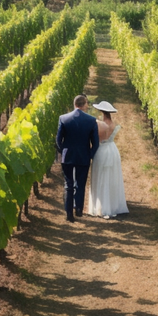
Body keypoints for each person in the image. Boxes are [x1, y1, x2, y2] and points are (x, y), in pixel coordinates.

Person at [56, 94, 100, 222]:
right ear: (84, 104)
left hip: (68, 156)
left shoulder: (63, 118)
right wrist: (90, 154)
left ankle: (69, 213)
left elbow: (58, 139)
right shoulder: (91, 120)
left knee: (68, 184)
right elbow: (95, 143)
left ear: (75, 104)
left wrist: (62, 151)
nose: (87, 106)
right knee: (81, 183)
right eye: (87, 103)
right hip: (83, 156)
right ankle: (79, 209)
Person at [88, 101, 129, 219]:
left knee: (101, 175)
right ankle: (112, 204)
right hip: (112, 149)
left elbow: (97, 140)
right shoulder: (114, 123)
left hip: (102, 150)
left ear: (102, 112)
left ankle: (101, 206)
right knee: (111, 176)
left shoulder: (100, 124)